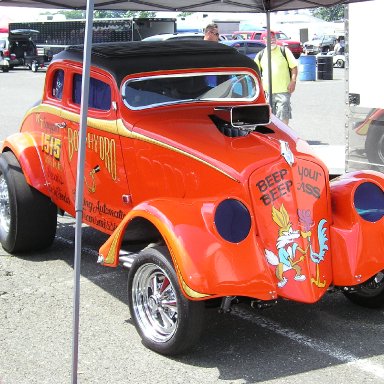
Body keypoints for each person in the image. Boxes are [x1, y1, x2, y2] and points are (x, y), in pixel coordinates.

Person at [254, 32, 298, 125]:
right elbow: (255, 73)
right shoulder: (260, 55)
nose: (272, 40)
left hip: (283, 90)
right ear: (264, 40)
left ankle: (284, 136)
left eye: (273, 37)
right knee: (269, 117)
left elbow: (294, 67)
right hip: (267, 92)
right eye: (269, 38)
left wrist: (293, 81)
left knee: (283, 114)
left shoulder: (284, 51)